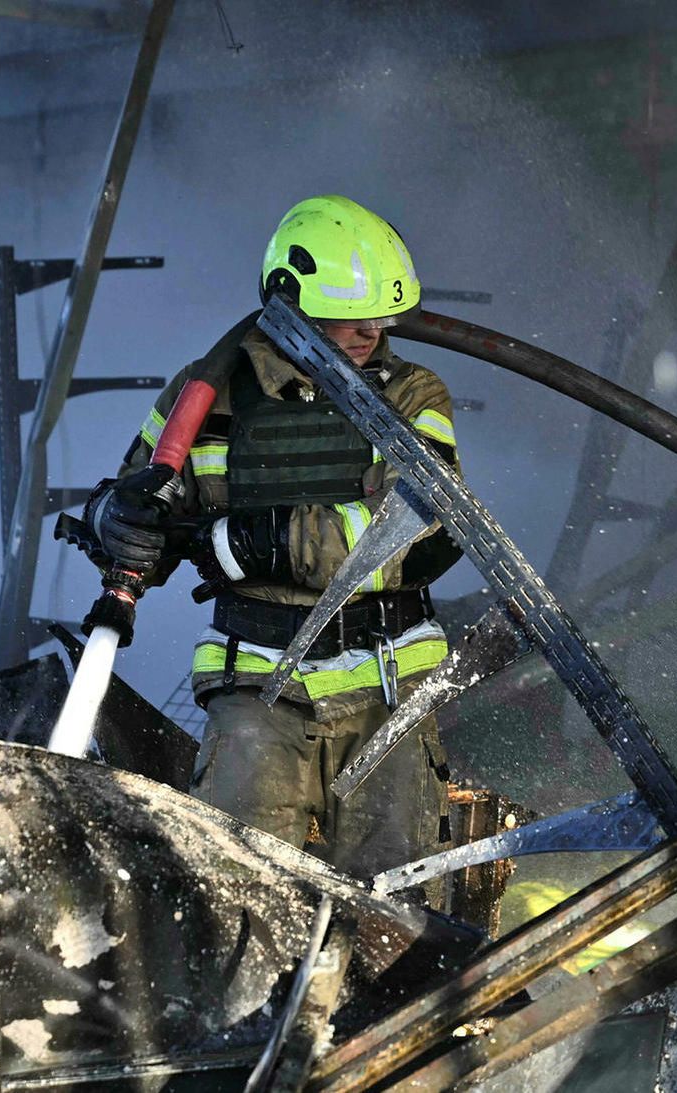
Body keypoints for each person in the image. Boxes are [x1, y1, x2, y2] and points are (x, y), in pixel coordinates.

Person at [85, 194, 462, 879]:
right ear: (291, 303)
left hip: (389, 692)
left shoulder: (413, 394)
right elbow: (138, 503)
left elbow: (419, 532)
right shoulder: (205, 395)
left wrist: (258, 542)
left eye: (379, 313)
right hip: (256, 694)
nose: (370, 330)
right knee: (245, 905)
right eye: (350, 314)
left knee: (395, 922)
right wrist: (118, 521)